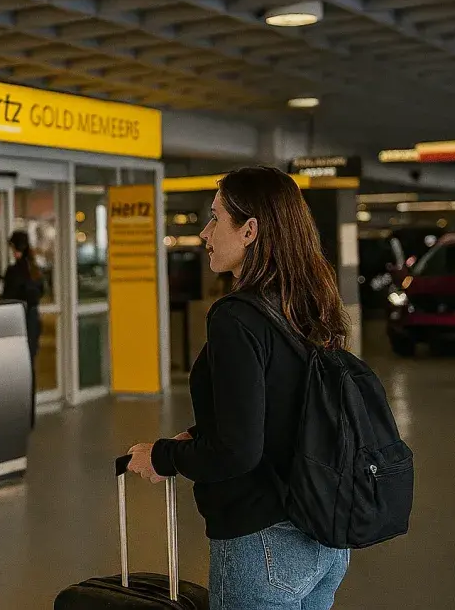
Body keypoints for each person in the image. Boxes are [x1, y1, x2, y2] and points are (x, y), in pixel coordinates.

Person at [124, 167, 350, 610]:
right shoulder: (308, 303)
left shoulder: (235, 316)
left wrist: (164, 457)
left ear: (249, 231)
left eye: (215, 218)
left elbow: (238, 451)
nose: (205, 233)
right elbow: (283, 407)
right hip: (324, 532)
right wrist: (199, 434)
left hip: (262, 542)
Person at [1, 230, 44, 427]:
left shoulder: (14, 271)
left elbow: (7, 297)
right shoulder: (35, 269)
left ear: (14, 248)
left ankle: (18, 413)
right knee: (30, 368)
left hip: (19, 322)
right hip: (33, 322)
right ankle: (30, 415)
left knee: (17, 369)